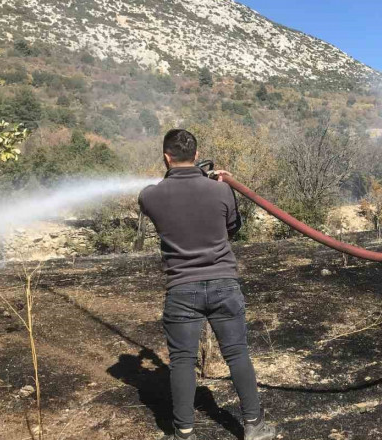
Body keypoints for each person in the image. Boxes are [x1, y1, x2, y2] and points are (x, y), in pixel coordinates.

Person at [139, 129, 277, 440]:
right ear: (197, 155)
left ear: (166, 157)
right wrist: (217, 183)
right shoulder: (221, 190)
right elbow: (232, 228)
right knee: (237, 353)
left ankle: (184, 432)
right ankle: (253, 426)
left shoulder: (151, 195)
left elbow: (160, 196)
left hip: (181, 289)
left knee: (183, 362)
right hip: (223, 284)